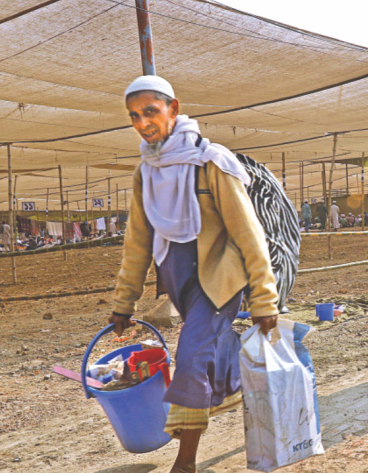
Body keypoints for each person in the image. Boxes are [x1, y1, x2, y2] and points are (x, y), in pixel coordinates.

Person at [108, 75, 279, 473]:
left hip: (219, 279)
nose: (143, 122)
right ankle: (239, 380)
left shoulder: (211, 163)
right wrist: (123, 303)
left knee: (189, 357)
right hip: (179, 279)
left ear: (174, 108)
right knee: (207, 352)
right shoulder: (146, 173)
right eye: (134, 116)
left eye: (151, 111)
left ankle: (185, 463)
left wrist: (264, 299)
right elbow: (137, 243)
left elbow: (248, 234)